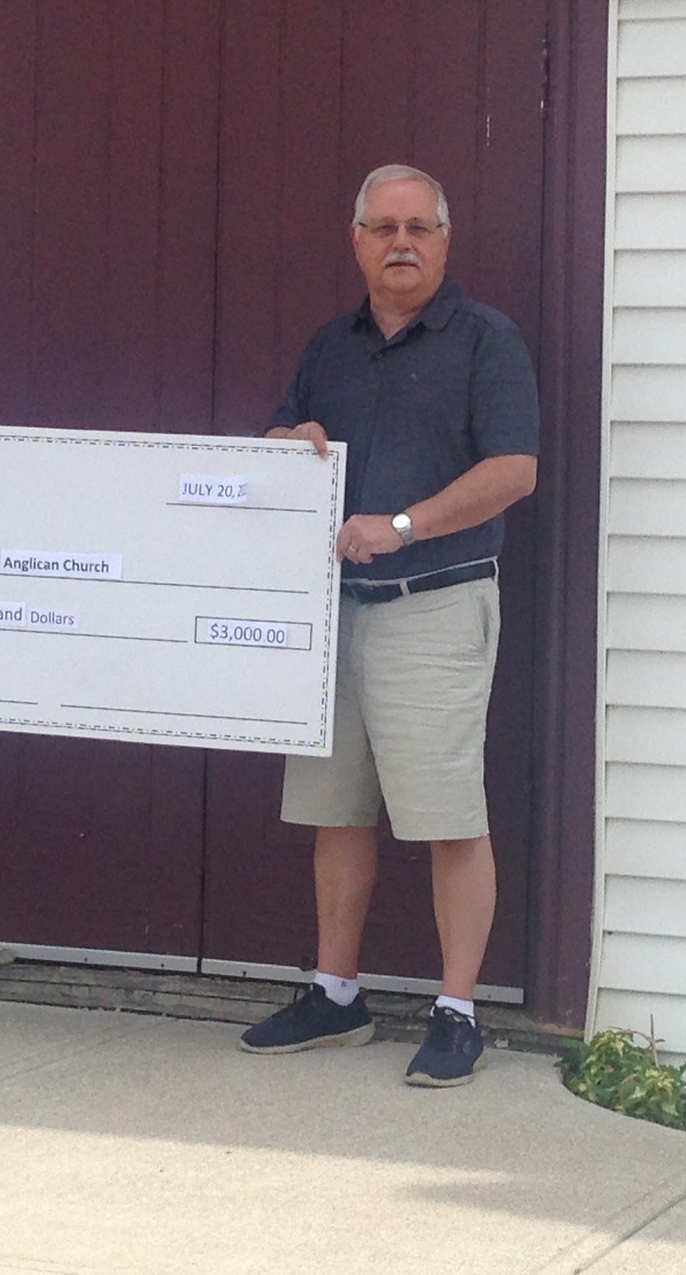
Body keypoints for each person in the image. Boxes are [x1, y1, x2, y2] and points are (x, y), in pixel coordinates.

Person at [241, 165, 539, 1087]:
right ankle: (337, 995)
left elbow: (515, 471)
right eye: (382, 227)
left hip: (436, 605)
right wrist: (280, 446)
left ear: (445, 240)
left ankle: (457, 1011)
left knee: (450, 818)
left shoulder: (488, 341)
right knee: (336, 812)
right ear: (357, 240)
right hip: (334, 615)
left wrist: (402, 525)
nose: (400, 242)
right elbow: (280, 443)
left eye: (418, 227)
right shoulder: (330, 345)